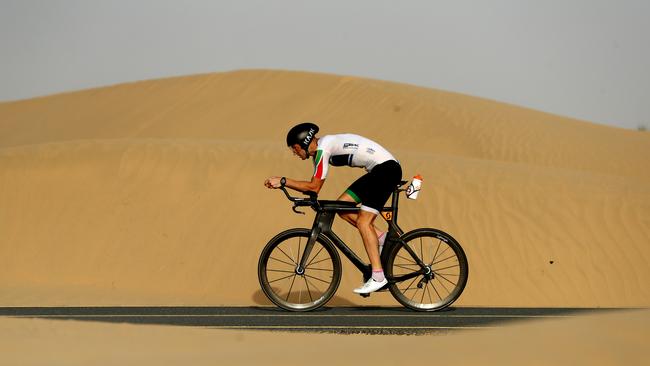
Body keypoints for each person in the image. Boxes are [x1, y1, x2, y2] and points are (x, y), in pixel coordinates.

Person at [264, 122, 402, 294]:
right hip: (379, 171)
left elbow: (314, 187)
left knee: (364, 222)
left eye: (294, 148)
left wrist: (284, 181)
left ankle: (378, 277)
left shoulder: (324, 149)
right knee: (342, 207)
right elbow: (314, 190)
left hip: (386, 171)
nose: (294, 153)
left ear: (303, 144)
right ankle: (381, 239)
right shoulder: (320, 152)